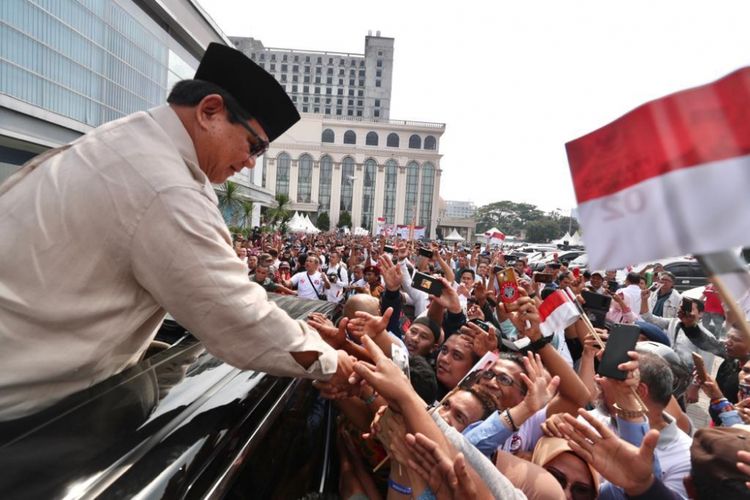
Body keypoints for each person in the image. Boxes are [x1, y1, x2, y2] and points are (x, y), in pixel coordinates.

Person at [0, 43, 352, 421]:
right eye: (255, 145)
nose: (250, 162)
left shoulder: (129, 139)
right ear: (210, 111)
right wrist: (332, 362)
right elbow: (236, 317)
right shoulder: (166, 186)